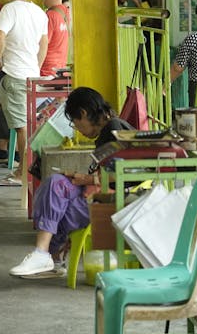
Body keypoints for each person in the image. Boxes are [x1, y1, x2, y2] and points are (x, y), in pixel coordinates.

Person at [9, 87, 132, 278]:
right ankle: (48, 256)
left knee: (56, 192)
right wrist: (84, 178)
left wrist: (88, 179)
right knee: (54, 185)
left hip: (113, 201)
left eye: (75, 123)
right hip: (104, 194)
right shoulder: (112, 128)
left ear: (83, 114)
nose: (78, 130)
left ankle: (48, 256)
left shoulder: (113, 129)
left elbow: (124, 175)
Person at [0, 0, 48, 184]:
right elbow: (43, 44)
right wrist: (36, 67)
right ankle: (26, 169)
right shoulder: (39, 12)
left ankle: (24, 171)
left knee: (21, 126)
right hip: (32, 75)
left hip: (14, 75)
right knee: (30, 124)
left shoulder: (9, 10)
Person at [40, 0, 70, 79]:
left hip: (46, 71)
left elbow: (43, 43)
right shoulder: (66, 13)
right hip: (60, 70)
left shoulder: (50, 15)